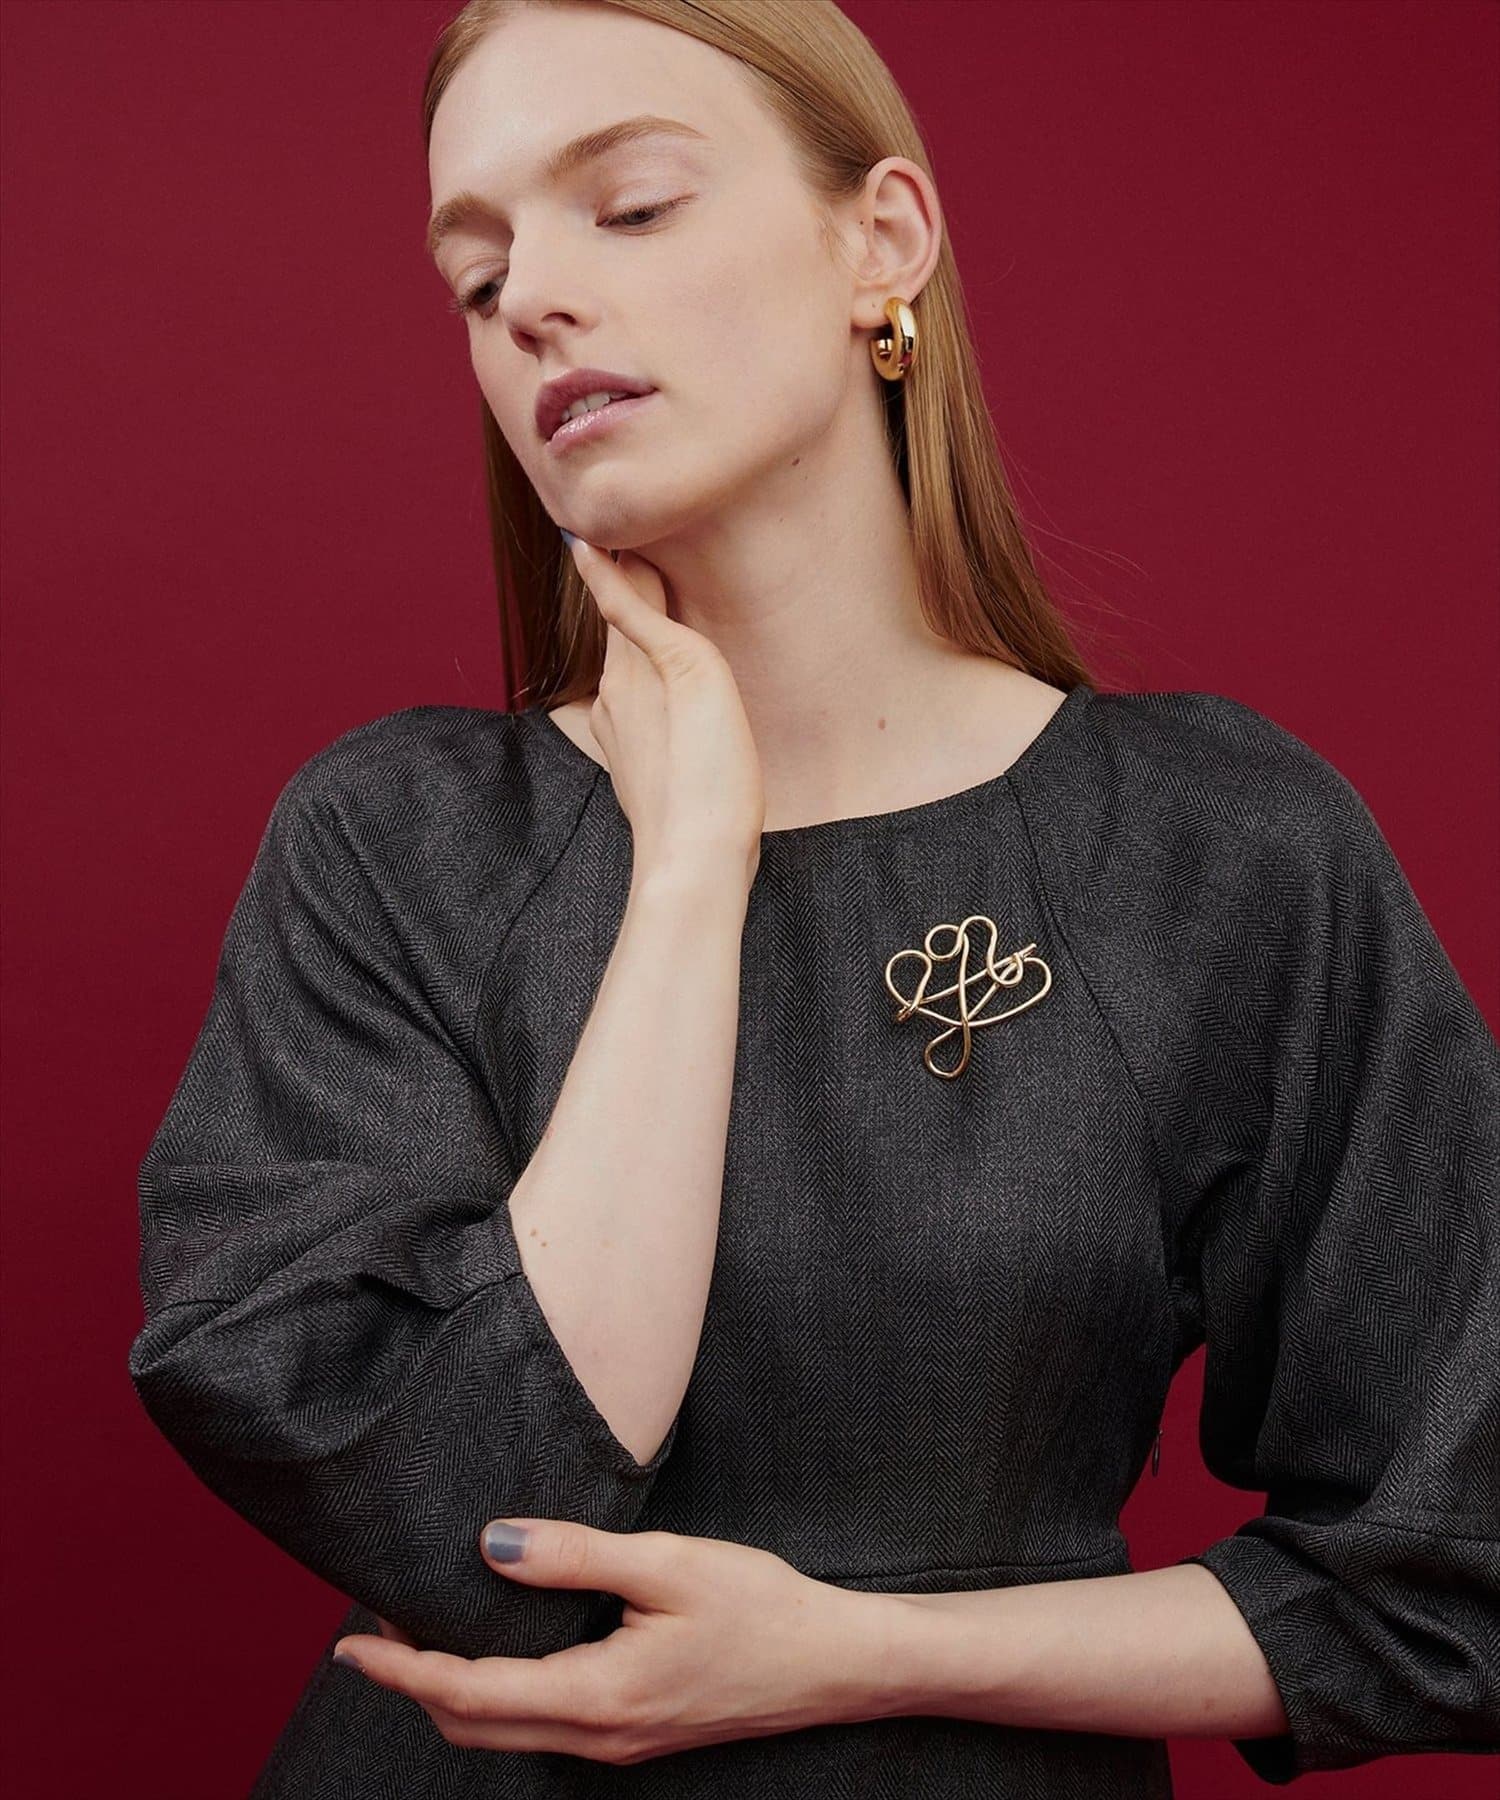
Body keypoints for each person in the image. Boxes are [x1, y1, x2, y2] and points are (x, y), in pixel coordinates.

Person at [126, 1, 1500, 1794]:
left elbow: (1453, 1580)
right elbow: (467, 1520)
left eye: (629, 206)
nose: (532, 300)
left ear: (882, 243)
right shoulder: (394, 843)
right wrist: (693, 863)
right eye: (478, 274)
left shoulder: (1215, 848)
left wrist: (868, 1655)